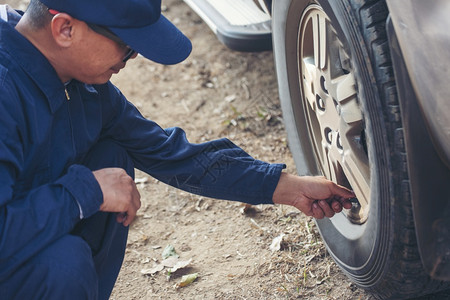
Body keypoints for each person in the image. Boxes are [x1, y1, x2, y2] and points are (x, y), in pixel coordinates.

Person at [0, 0, 354, 299]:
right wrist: (85, 192)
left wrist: (288, 188)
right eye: (126, 43)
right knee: (63, 265)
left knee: (113, 155)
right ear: (65, 29)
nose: (133, 56)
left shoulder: (79, 82)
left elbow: (167, 152)